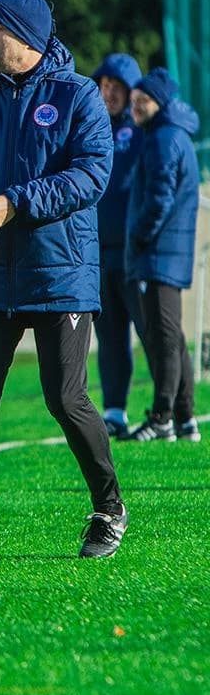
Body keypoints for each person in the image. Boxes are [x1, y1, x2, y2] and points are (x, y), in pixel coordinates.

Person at [0, 0, 127, 565]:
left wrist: (14, 203)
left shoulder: (78, 97)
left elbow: (91, 175)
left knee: (65, 399)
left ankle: (108, 508)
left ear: (23, 35)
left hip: (60, 275)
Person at [123, 68, 201, 443]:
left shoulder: (162, 140)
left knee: (164, 337)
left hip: (159, 254)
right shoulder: (170, 135)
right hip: (167, 252)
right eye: (134, 99)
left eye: (144, 100)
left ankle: (163, 417)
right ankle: (186, 419)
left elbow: (160, 199)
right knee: (173, 336)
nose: (136, 106)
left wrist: (138, 237)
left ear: (161, 103)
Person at [90, 54, 146, 438]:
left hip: (135, 253)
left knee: (153, 333)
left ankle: (174, 411)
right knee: (109, 337)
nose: (108, 93)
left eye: (116, 87)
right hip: (97, 253)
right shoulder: (89, 129)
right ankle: (114, 411)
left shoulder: (143, 132)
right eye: (104, 85)